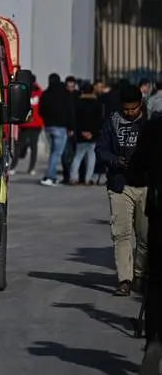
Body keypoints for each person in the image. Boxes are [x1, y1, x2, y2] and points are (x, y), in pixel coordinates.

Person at [96, 83, 148, 297]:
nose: (129, 113)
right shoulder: (111, 122)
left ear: (141, 105)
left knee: (145, 237)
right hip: (120, 185)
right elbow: (100, 149)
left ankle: (139, 274)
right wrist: (115, 160)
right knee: (121, 234)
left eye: (133, 108)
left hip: (146, 185)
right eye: (125, 109)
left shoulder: (151, 122)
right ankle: (124, 280)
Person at [130, 113, 162, 373]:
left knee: (157, 283)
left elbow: (136, 170)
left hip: (160, 214)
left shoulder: (153, 127)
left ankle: (154, 340)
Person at [38, 73, 75, 186]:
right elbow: (70, 111)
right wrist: (71, 127)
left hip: (48, 127)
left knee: (53, 151)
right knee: (56, 153)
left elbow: (41, 110)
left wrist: (46, 120)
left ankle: (51, 175)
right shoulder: (64, 94)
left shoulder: (45, 94)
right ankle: (50, 176)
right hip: (61, 127)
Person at [71, 82, 104, 185]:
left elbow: (75, 119)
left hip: (81, 134)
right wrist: (92, 133)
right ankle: (88, 178)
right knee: (91, 157)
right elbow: (99, 120)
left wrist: (82, 131)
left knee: (78, 156)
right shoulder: (97, 103)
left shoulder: (77, 103)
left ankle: (73, 178)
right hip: (93, 135)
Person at [11, 72, 42, 176]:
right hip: (25, 124)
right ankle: (15, 166)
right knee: (20, 147)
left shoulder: (38, 92)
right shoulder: (24, 90)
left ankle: (31, 167)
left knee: (32, 147)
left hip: (35, 124)